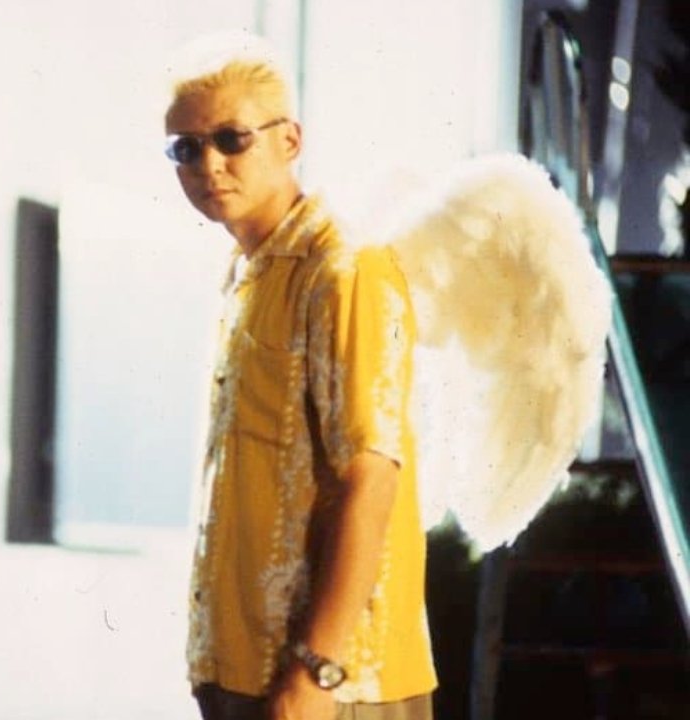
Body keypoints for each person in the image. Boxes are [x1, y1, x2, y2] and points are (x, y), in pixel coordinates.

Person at [164, 37, 436, 720]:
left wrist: (316, 669)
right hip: (243, 668)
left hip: (335, 683)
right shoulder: (247, 272)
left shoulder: (343, 268)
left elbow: (371, 476)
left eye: (231, 139)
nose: (209, 165)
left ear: (289, 140)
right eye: (186, 148)